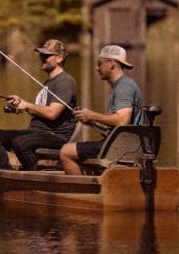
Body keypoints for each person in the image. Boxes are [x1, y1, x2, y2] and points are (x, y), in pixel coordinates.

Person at [0, 39, 77, 171]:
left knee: (21, 143)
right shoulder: (49, 82)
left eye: (46, 55)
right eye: (41, 54)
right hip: (37, 132)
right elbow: (41, 111)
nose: (42, 58)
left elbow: (52, 113)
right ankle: (6, 173)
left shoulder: (65, 82)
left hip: (55, 136)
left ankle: (32, 174)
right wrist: (21, 104)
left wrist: (27, 105)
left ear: (59, 58)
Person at [60, 45, 145, 175]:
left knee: (66, 151)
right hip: (122, 144)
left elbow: (122, 120)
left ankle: (82, 193)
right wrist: (90, 121)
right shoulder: (120, 86)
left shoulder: (124, 86)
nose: (96, 68)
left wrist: (92, 115)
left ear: (111, 64)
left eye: (99, 64)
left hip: (124, 148)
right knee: (79, 155)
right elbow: (118, 127)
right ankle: (97, 186)